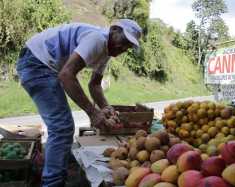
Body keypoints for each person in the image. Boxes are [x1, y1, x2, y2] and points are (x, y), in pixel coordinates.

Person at [16, 19, 142, 187]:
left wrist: (106, 108)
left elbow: (95, 84)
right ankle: (52, 183)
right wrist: (93, 112)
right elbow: (66, 75)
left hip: (42, 64)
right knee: (61, 128)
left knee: (63, 128)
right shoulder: (97, 39)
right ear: (113, 30)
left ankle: (59, 168)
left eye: (128, 46)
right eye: (123, 41)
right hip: (36, 63)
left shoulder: (106, 51)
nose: (123, 48)